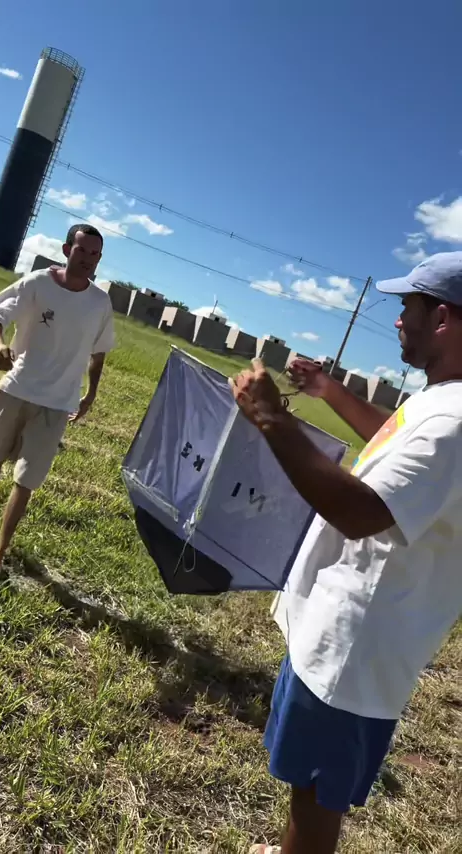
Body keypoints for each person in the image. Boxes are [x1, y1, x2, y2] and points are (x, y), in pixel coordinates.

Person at [230, 251, 462, 854]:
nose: (398, 320)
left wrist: (271, 417)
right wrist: (327, 390)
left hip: (355, 652)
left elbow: (360, 512)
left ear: (441, 318)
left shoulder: (456, 422)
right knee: (305, 787)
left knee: (315, 799)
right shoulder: (441, 400)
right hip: (341, 632)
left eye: (407, 307)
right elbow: (393, 439)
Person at [0, 223, 114, 584]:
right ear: (67, 249)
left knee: (26, 480)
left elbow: (99, 353)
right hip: (16, 388)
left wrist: (91, 393)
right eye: (82, 250)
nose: (88, 259)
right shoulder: (38, 283)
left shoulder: (99, 303)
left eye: (95, 254)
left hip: (57, 403)